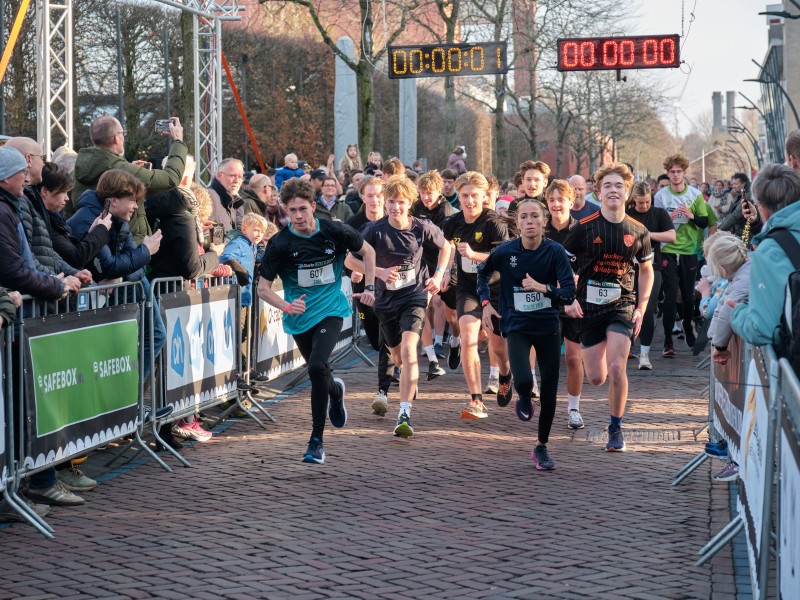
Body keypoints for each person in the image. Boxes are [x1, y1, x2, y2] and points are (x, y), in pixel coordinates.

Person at [257, 178, 376, 464]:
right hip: (300, 318)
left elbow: (368, 252)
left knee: (316, 366)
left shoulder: (335, 231)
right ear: (286, 211)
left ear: (313, 207)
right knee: (319, 372)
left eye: (302, 209)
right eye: (292, 210)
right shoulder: (280, 243)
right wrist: (287, 306)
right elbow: (262, 288)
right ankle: (335, 390)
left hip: (331, 311)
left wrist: (370, 287)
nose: (298, 216)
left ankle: (316, 441)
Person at [563, 162, 654, 452]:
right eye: (607, 186)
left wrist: (641, 307)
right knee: (596, 377)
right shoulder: (583, 228)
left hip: (622, 305)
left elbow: (647, 270)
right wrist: (569, 298)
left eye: (619, 186)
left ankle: (615, 428)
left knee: (617, 367)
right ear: (598, 192)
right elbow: (563, 265)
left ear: (627, 192)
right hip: (589, 307)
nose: (613, 190)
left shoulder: (639, 231)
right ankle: (599, 357)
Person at [479, 198, 575, 469]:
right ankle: (521, 394)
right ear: (517, 223)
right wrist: (485, 304)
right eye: (524, 217)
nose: (530, 221)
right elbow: (481, 274)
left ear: (544, 221)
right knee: (523, 382)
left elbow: (569, 293)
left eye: (535, 216)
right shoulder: (505, 251)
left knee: (549, 393)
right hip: (517, 325)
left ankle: (541, 447)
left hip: (548, 327)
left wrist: (544, 288)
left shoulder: (555, 251)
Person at [350, 175, 449, 438]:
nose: (396, 207)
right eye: (391, 202)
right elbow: (350, 260)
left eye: (401, 202)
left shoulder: (422, 227)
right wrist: (379, 272)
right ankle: (407, 375)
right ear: (385, 203)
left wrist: (438, 276)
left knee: (408, 349)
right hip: (385, 301)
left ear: (410, 202)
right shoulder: (374, 230)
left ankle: (404, 413)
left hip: (414, 296)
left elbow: (446, 248)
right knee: (397, 356)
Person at [442, 171, 512, 420]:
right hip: (468, 288)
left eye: (474, 195)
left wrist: (474, 255)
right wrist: (444, 272)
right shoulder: (451, 222)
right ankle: (476, 400)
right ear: (458, 196)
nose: (469, 201)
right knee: (468, 337)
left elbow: (505, 260)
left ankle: (505, 375)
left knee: (498, 348)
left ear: (484, 196)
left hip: (495, 290)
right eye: (464, 196)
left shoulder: (494, 223)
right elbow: (447, 247)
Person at [68, 115, 187, 242]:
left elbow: (68, 211)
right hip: (127, 247)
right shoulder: (123, 170)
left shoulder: (75, 172)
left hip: (90, 245)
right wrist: (178, 142)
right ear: (116, 138)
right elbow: (171, 178)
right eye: (122, 133)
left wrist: (130, 169)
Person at [730, 163, 800, 346]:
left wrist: (738, 313)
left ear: (762, 207)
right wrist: (757, 225)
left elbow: (762, 329)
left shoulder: (769, 251)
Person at [345, 177, 396, 413]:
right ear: (362, 197)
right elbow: (346, 258)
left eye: (379, 195)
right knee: (376, 340)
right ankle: (398, 361)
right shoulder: (353, 224)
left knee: (388, 339)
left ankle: (385, 387)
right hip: (364, 289)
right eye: (370, 195)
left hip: (390, 289)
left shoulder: (394, 219)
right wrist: (354, 272)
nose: (375, 200)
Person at [653, 153, 709, 355]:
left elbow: (704, 221)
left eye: (679, 171)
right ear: (667, 173)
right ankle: (668, 341)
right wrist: (669, 216)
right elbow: (655, 224)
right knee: (669, 297)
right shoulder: (661, 196)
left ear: (684, 172)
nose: (675, 175)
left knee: (687, 295)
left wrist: (690, 215)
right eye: (672, 172)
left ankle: (687, 327)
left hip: (688, 251)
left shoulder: (695, 195)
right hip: (667, 250)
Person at [543, 180, 585, 429]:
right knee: (548, 359)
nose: (556, 204)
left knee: (573, 358)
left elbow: (589, 265)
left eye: (561, 200)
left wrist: (579, 279)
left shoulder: (582, 230)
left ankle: (573, 409)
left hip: (572, 300)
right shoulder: (540, 229)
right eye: (552, 200)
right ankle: (543, 403)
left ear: (571, 201)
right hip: (545, 300)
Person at [411, 170, 457, 380]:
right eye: (422, 192)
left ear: (439, 192)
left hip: (443, 260)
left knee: (450, 313)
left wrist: (444, 272)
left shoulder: (445, 211)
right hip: (421, 261)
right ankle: (432, 350)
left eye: (430, 193)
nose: (426, 197)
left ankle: (453, 339)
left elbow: (448, 246)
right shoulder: (416, 207)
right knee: (423, 303)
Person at [625, 181, 675, 370]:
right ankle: (627, 347)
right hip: (629, 268)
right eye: (640, 203)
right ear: (633, 200)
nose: (645, 206)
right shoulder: (626, 214)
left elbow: (671, 236)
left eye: (647, 202)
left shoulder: (659, 213)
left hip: (653, 267)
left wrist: (647, 235)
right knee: (628, 308)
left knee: (646, 308)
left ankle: (644, 355)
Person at [220, 212, 270, 375]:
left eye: (261, 231)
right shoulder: (239, 242)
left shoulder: (252, 245)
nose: (259, 234)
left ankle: (246, 369)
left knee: (247, 333)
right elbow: (226, 256)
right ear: (244, 229)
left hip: (247, 296)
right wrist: (240, 271)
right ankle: (239, 371)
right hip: (237, 296)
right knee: (238, 333)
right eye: (255, 230)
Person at [40, 162, 111, 271]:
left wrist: (91, 232)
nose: (67, 198)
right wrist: (101, 230)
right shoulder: (45, 222)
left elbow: (72, 251)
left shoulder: (54, 218)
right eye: (63, 192)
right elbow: (76, 258)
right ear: (45, 192)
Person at [718, 173, 762, 239]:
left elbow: (736, 215)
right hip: (742, 231)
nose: (733, 186)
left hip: (747, 233)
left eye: (736, 184)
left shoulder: (747, 195)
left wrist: (719, 230)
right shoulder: (740, 194)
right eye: (732, 184)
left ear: (743, 183)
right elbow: (732, 213)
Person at [207, 158, 245, 234]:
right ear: (219, 176)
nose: (237, 181)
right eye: (232, 175)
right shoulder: (208, 196)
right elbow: (205, 231)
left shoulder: (237, 201)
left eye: (240, 177)